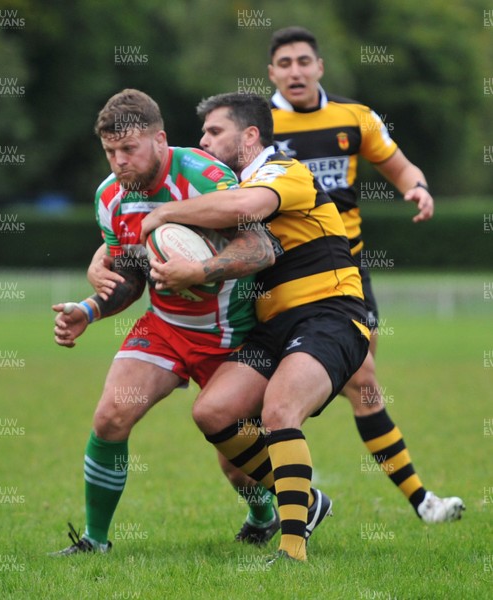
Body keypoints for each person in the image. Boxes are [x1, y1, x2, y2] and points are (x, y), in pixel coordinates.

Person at [139, 92, 371, 562]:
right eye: (202, 133)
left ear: (249, 136)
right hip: (272, 327)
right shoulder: (219, 188)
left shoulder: (283, 170)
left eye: (214, 131)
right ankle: (305, 500)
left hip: (330, 313)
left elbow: (242, 209)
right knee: (213, 412)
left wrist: (162, 215)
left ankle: (292, 551)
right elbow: (131, 228)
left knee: (279, 411)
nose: (202, 140)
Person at [50, 88, 278, 555]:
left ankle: (263, 514)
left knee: (236, 465)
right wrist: (88, 310)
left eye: (128, 150)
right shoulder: (110, 197)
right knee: (111, 417)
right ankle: (95, 540)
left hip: (231, 336)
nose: (119, 162)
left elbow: (261, 248)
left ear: (160, 141)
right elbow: (131, 278)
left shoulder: (207, 176)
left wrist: (200, 270)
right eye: (110, 152)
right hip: (166, 328)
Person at [261, 26, 464, 524]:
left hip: (347, 277)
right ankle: (276, 505)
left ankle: (418, 501)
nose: (295, 71)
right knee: (245, 410)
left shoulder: (355, 118)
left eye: (303, 61)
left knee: (362, 380)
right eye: (284, 63)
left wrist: (417, 188)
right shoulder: (255, 127)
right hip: (274, 282)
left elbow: (399, 167)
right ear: (271, 73)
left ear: (320, 66)